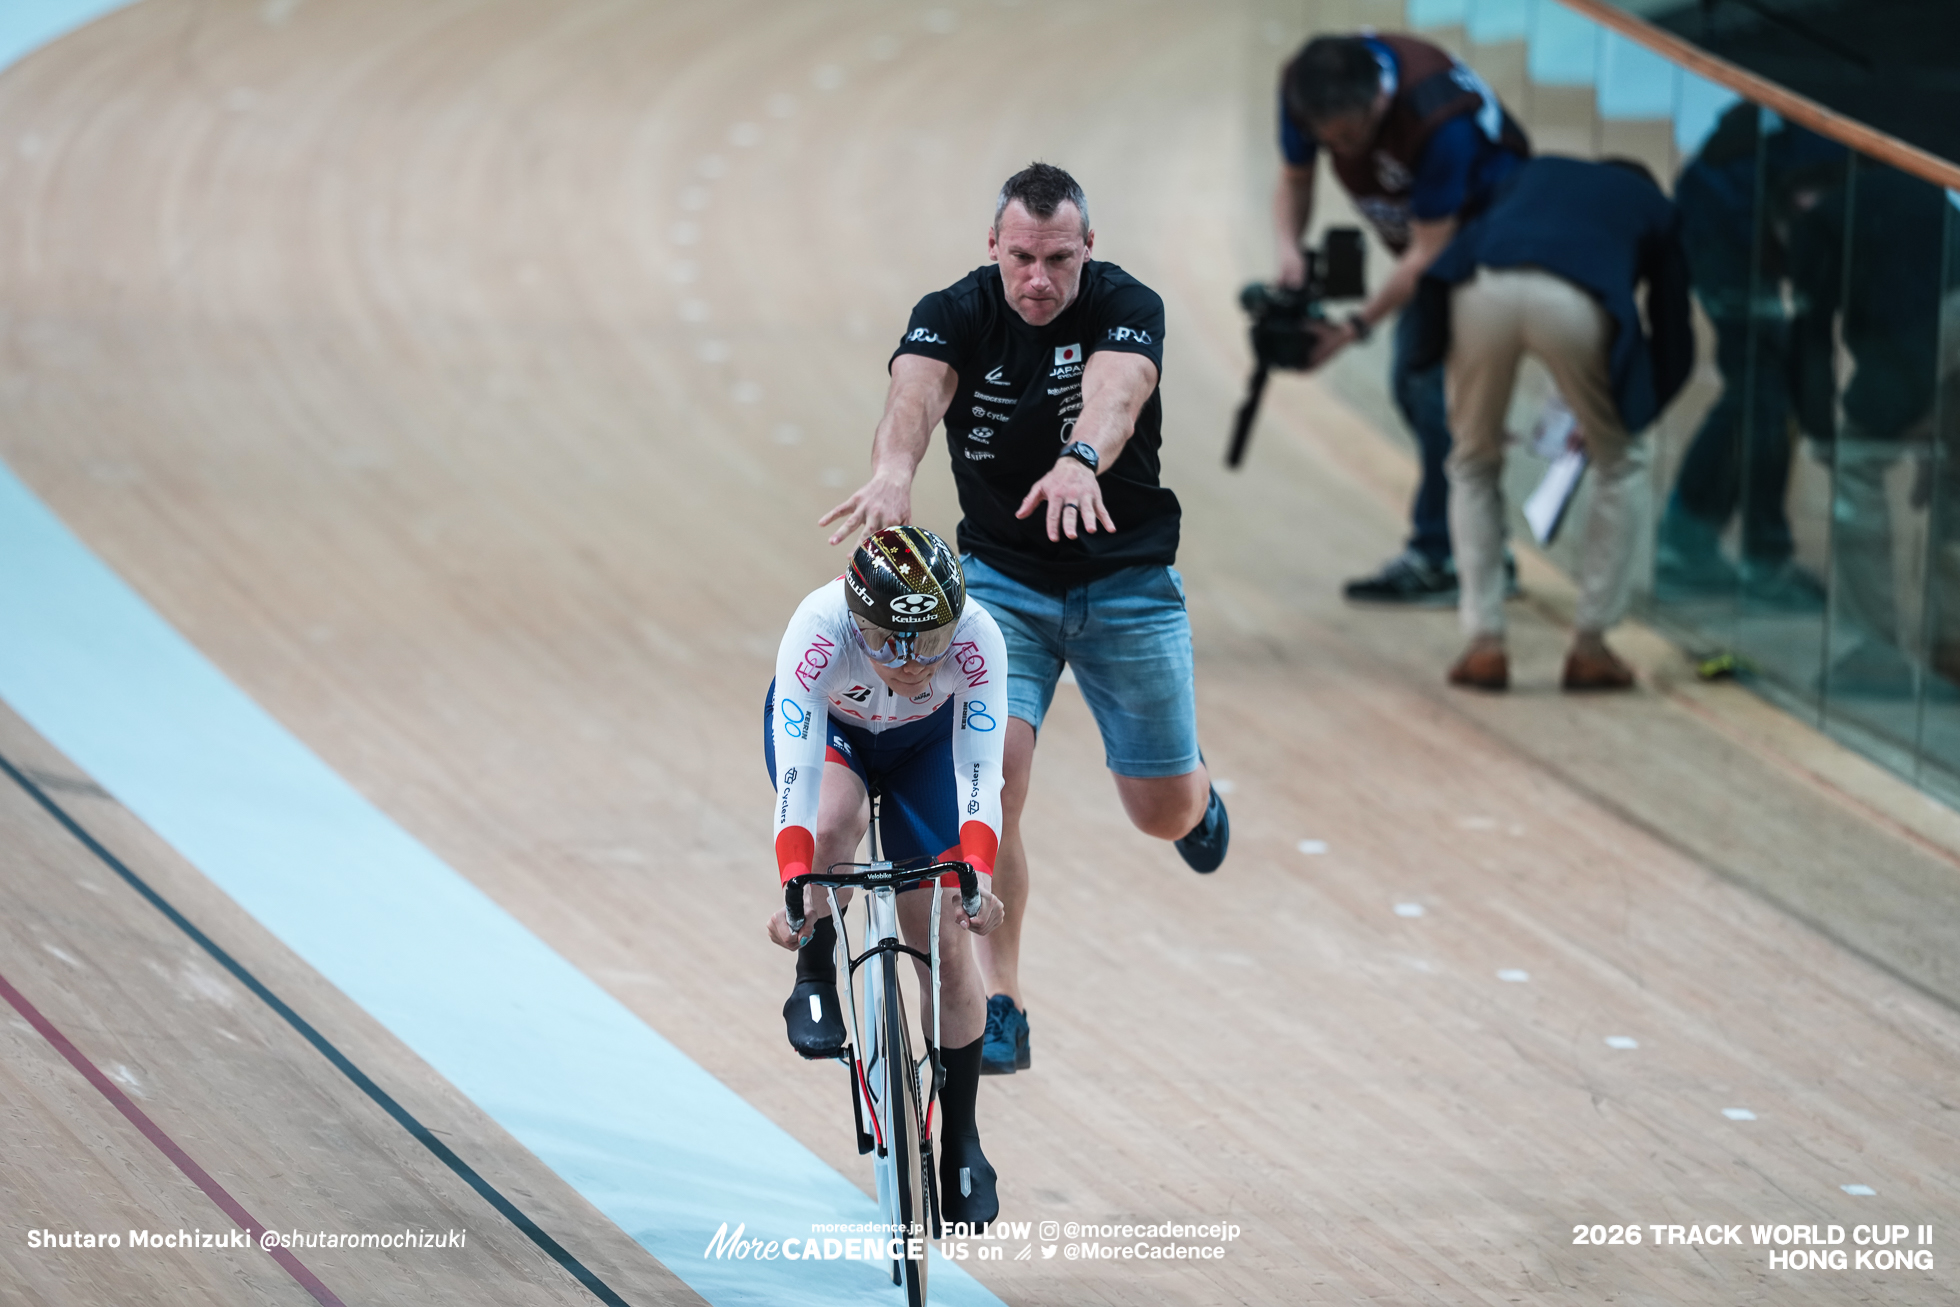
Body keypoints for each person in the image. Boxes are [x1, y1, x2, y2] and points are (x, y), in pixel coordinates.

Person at [820, 162, 1227, 1079]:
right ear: (992, 250)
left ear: (1090, 250)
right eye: (1020, 260)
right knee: (993, 776)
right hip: (1004, 587)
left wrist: (1082, 457)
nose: (1038, 280)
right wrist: (892, 467)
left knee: (1161, 813)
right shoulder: (956, 309)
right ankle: (1004, 999)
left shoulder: (1129, 305)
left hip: (1128, 585)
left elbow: (1117, 393)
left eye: (1058, 259)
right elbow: (914, 395)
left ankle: (1196, 790)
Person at [763, 525, 1009, 1226]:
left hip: (927, 749)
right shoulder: (818, 628)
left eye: (933, 640)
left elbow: (980, 768)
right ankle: (815, 967)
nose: (915, 662)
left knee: (940, 928)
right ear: (858, 619)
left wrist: (979, 871)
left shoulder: (978, 636)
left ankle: (961, 1135)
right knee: (833, 823)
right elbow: (798, 774)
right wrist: (795, 878)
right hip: (833, 739)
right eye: (896, 642)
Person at [1412, 156, 1693, 689]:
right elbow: (1673, 328)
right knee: (1622, 464)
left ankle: (1484, 642)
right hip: (1577, 301)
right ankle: (1591, 645)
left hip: (1480, 285)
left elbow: (1464, 230)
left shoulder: (1534, 175)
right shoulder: (1653, 207)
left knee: (1471, 463)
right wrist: (1629, 411)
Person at [1274, 32, 1530, 604]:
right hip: (1429, 248)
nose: (1339, 149)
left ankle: (1449, 555)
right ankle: (1478, 544)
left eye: (1349, 137)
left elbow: (1429, 251)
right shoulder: (1303, 87)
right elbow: (1295, 178)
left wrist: (1352, 330)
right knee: (1419, 392)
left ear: (1379, 104)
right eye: (1326, 139)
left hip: (1490, 242)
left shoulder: (1440, 123)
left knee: (1430, 393)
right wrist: (1288, 252)